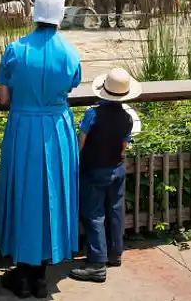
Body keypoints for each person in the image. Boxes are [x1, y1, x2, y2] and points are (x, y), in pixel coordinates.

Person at [0, 0, 82, 299]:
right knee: (53, 195)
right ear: (60, 13)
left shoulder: (14, 50)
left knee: (24, 194)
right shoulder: (71, 53)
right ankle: (42, 278)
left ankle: (22, 276)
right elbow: (70, 87)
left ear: (34, 12)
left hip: (22, 129)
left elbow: (4, 97)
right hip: (57, 131)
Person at [68, 68, 142, 283]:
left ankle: (97, 263)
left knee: (93, 215)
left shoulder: (93, 113)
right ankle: (115, 254)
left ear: (103, 90)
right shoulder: (128, 117)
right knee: (115, 211)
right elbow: (123, 148)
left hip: (94, 170)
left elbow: (80, 142)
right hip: (117, 169)